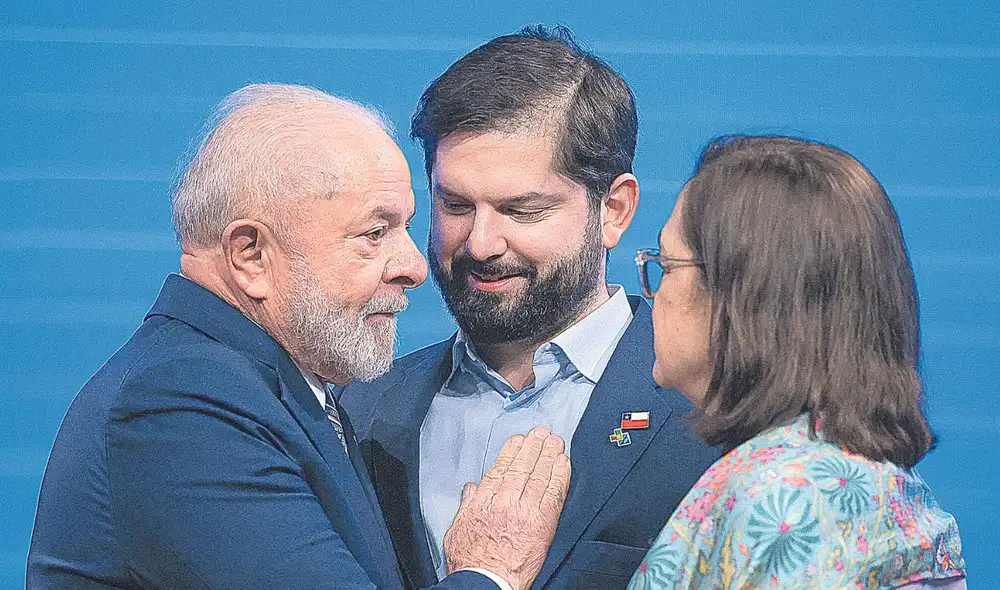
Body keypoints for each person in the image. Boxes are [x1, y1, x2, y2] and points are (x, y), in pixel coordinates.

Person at [26, 83, 572, 590]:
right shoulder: (182, 403)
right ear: (251, 255)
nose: (413, 266)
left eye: (406, 227)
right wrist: (489, 571)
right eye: (374, 232)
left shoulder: (276, 388)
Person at [339, 26, 718, 590]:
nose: (481, 244)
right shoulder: (358, 409)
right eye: (455, 204)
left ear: (613, 211)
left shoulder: (714, 406)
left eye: (522, 210)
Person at [628, 135, 967, 588]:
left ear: (744, 298)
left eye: (668, 266)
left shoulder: (784, 505)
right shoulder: (867, 483)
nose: (655, 293)